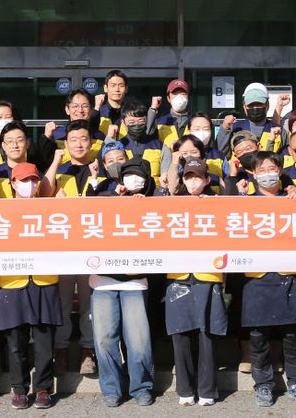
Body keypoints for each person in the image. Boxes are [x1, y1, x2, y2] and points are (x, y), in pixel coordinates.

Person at [241, 151, 296, 408]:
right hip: (257, 279)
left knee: (293, 336)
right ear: (253, 174)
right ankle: (263, 384)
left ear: (280, 171)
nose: (267, 174)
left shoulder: (294, 200)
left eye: (271, 169)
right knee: (258, 337)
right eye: (261, 170)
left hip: (290, 276)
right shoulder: (243, 204)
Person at [91, 157, 156, 408]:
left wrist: (145, 203)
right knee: (105, 338)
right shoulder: (107, 196)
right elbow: (86, 209)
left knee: (138, 339)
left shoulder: (154, 201)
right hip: (102, 280)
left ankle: (142, 386)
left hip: (135, 281)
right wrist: (113, 198)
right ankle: (111, 388)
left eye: (139, 176)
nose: (133, 180)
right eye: (128, 175)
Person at [0, 162, 62, 409]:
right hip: (13, 282)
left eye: (34, 180)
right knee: (16, 343)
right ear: (12, 183)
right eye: (24, 180)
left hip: (45, 280)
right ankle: (19, 389)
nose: (30, 185)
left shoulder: (51, 210)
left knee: (45, 341)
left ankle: (44, 388)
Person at [166, 159, 226, 406]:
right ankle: (185, 390)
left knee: (207, 335)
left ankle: (208, 390)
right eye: (189, 177)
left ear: (207, 180)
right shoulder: (171, 205)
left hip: (208, 276)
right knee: (180, 335)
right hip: (178, 277)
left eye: (198, 177)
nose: (193, 182)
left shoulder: (219, 204)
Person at [42, 121, 97, 375]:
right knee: (62, 303)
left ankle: (88, 351)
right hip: (63, 250)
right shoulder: (60, 170)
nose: (79, 144)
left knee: (89, 304)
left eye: (84, 139)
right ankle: (61, 350)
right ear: (65, 143)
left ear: (91, 142)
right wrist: (55, 161)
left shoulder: (99, 168)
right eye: (73, 139)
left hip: (91, 248)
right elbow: (43, 193)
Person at [40, 88, 107, 166]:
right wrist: (46, 138)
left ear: (91, 109)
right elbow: (45, 162)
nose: (80, 110)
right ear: (67, 110)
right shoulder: (57, 134)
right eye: (75, 106)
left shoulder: (99, 136)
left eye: (85, 106)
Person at [217, 82, 281, 156]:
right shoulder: (235, 128)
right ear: (244, 107)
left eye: (259, 104)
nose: (255, 107)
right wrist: (224, 129)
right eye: (251, 105)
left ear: (267, 105)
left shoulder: (279, 131)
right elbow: (222, 154)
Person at [119, 101, 163, 185]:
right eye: (131, 122)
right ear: (123, 122)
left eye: (141, 121)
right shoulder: (119, 146)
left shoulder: (158, 145)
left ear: (146, 120)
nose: (137, 125)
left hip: (154, 190)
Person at [149, 79, 191, 148]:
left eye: (183, 94)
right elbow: (147, 136)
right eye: (175, 94)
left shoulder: (195, 122)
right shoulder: (159, 122)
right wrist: (153, 109)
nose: (179, 97)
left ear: (188, 97)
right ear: (168, 98)